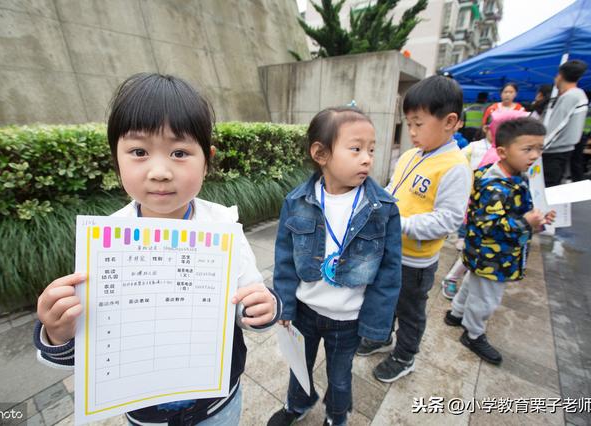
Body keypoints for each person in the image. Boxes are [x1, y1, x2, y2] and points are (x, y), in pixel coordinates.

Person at [33, 73, 282, 425]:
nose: (160, 171)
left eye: (180, 152)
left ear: (206, 160)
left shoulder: (223, 229)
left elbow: (250, 303)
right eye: (139, 152)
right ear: (116, 158)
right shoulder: (105, 242)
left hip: (218, 404)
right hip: (144, 412)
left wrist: (262, 308)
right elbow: (90, 349)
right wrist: (58, 332)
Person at [268, 107, 402, 426]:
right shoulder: (296, 201)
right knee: (299, 364)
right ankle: (297, 403)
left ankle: (337, 414)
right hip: (304, 312)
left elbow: (389, 273)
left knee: (340, 376)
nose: (367, 158)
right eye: (356, 149)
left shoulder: (382, 208)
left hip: (349, 318)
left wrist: (376, 325)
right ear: (321, 153)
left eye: (371, 149)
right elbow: (284, 260)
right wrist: (284, 307)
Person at [356, 76, 472, 384]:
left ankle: (405, 355)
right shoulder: (410, 155)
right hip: (391, 251)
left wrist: (397, 222)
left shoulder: (455, 167)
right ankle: (382, 338)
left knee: (409, 310)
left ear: (450, 121)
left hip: (416, 262)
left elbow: (448, 219)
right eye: (408, 124)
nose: (411, 132)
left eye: (418, 124)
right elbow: (394, 189)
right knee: (383, 299)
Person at [444, 117, 555, 365]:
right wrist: (527, 222)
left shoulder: (513, 178)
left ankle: (456, 314)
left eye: (539, 149)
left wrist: (537, 217)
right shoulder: (497, 187)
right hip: (494, 256)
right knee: (485, 299)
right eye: (527, 149)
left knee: (473, 283)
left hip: (483, 255)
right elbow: (492, 227)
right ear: (503, 152)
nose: (535, 155)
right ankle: (473, 334)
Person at [441, 109, 529, 299]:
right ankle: (452, 279)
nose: (532, 155)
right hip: (478, 214)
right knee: (471, 250)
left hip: (488, 223)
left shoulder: (514, 164)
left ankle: (455, 286)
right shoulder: (483, 152)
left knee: (471, 254)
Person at [542, 59, 589, 186]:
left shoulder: (570, 96)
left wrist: (540, 148)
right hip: (562, 150)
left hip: (554, 152)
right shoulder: (578, 95)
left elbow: (557, 126)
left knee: (548, 187)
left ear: (560, 76)